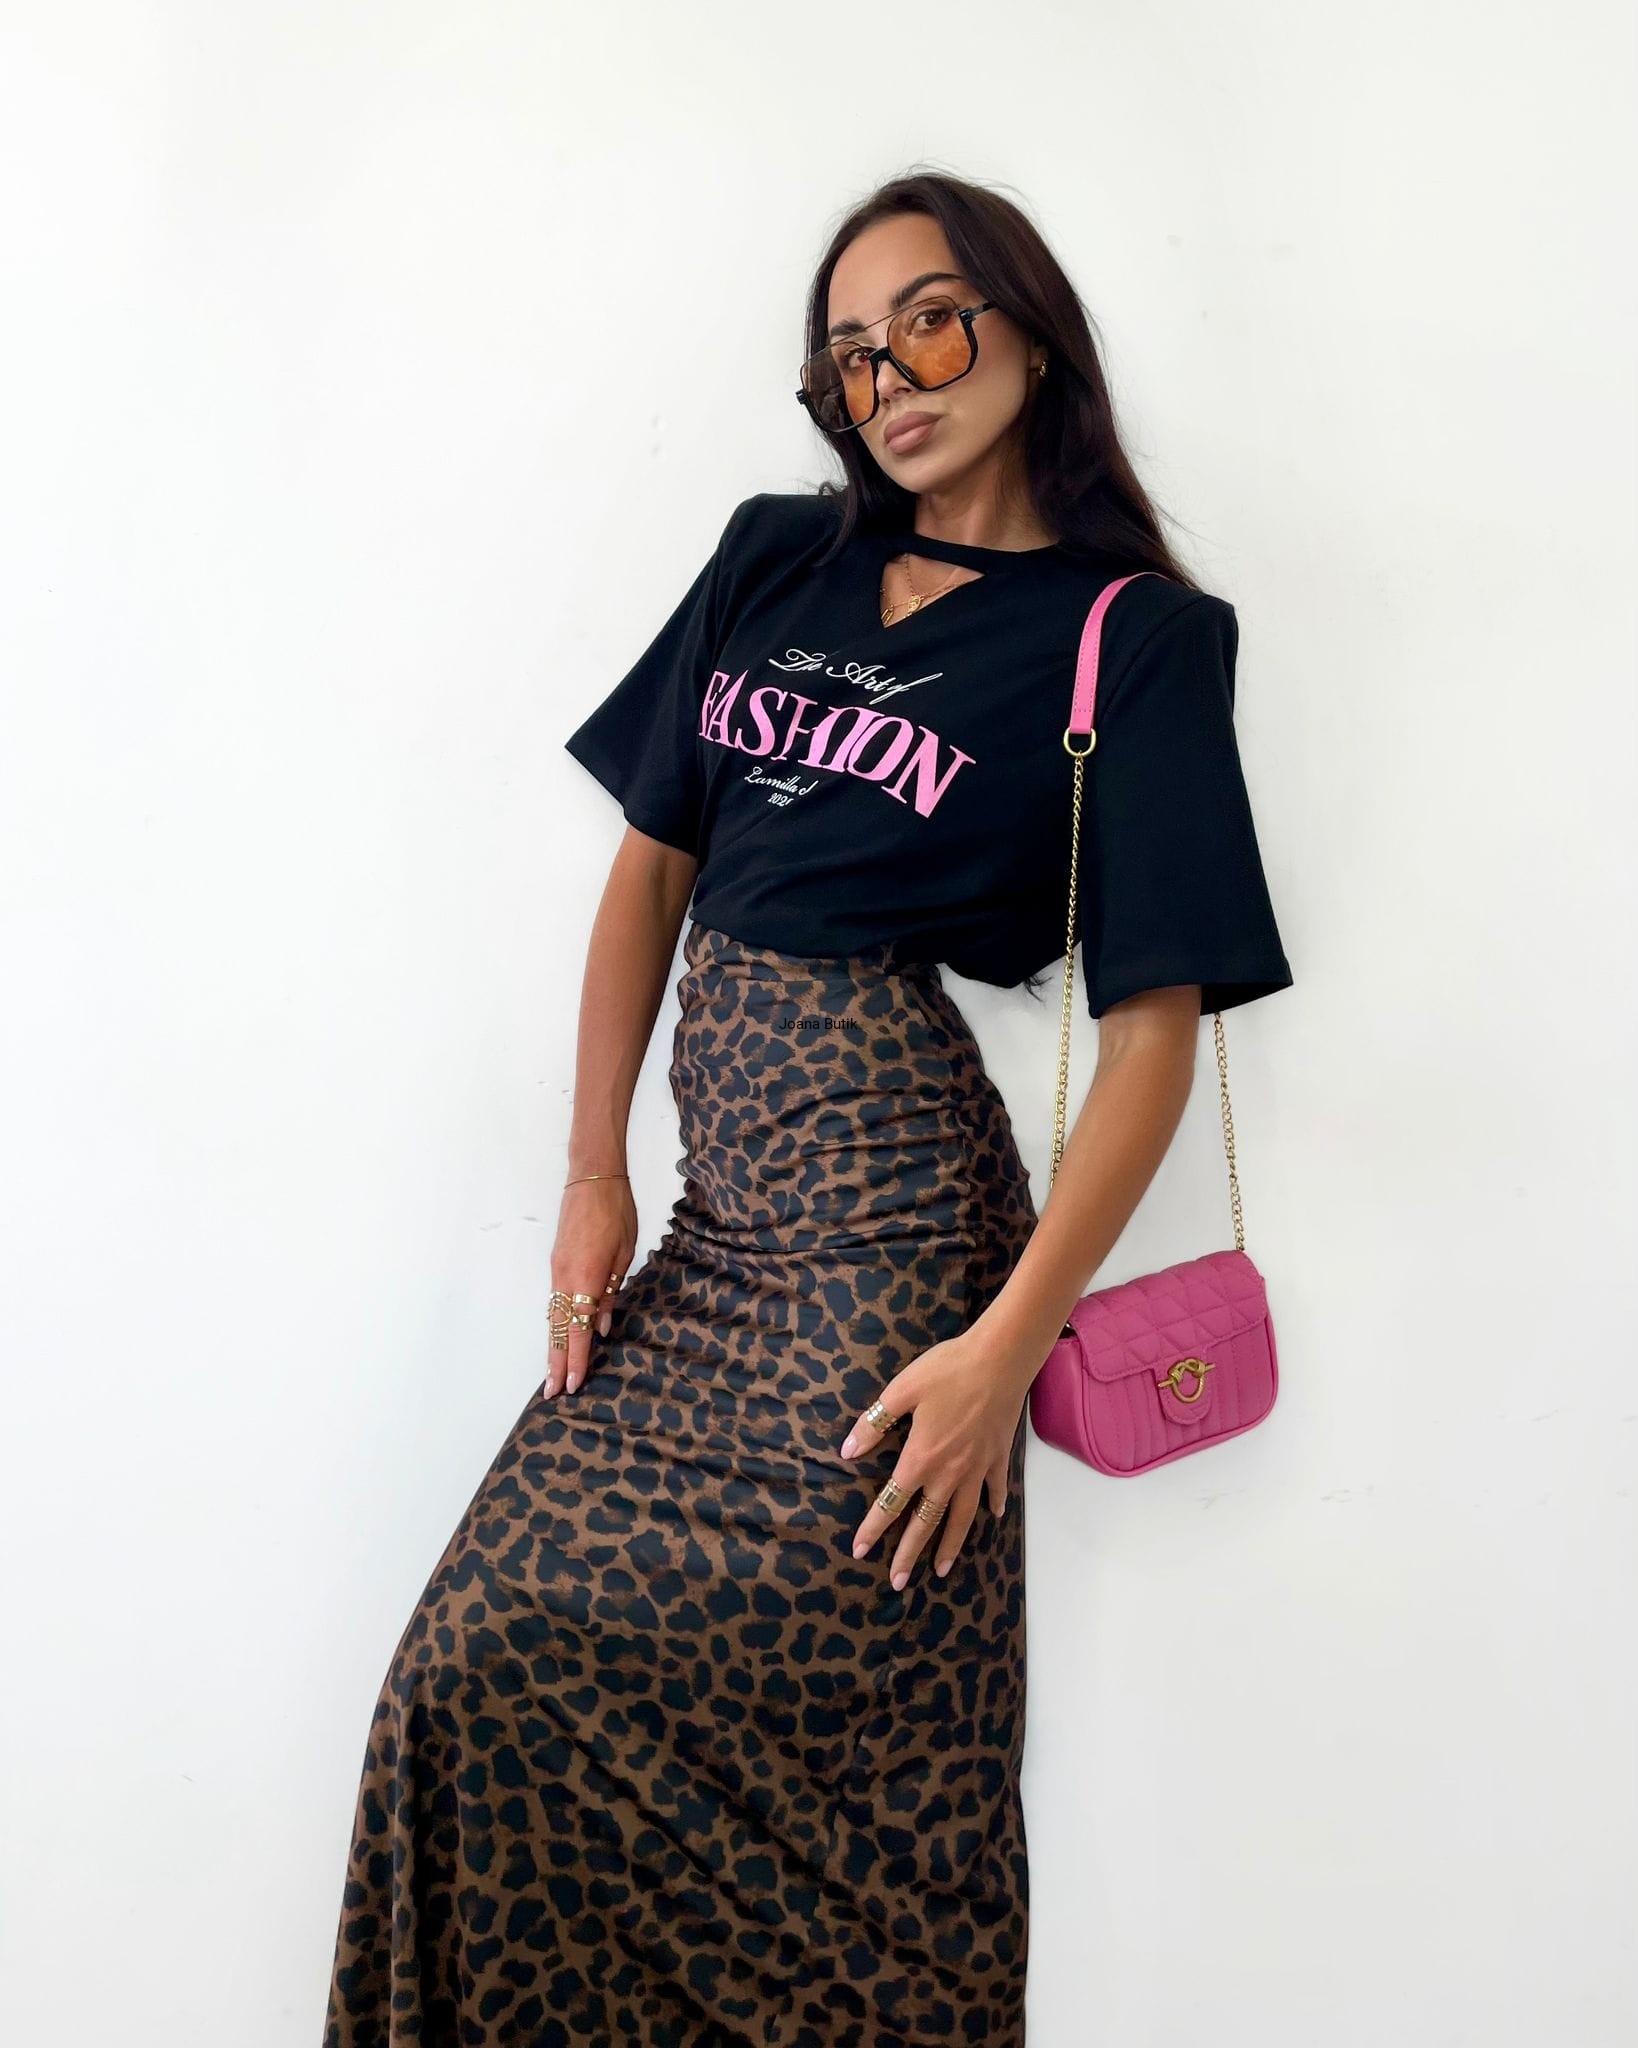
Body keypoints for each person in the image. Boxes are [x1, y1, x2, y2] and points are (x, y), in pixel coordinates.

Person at [323, 169, 1293, 2048]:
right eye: (849, 356)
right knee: (470, 1668)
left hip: (893, 1258)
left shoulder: (1131, 640)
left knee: (810, 1793)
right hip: (714, 1237)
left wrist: (1002, 1353)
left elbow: (1153, 1038)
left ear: (1026, 329)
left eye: (927, 323)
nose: (889, 382)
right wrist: (591, 1175)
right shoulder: (777, 558)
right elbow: (650, 868)